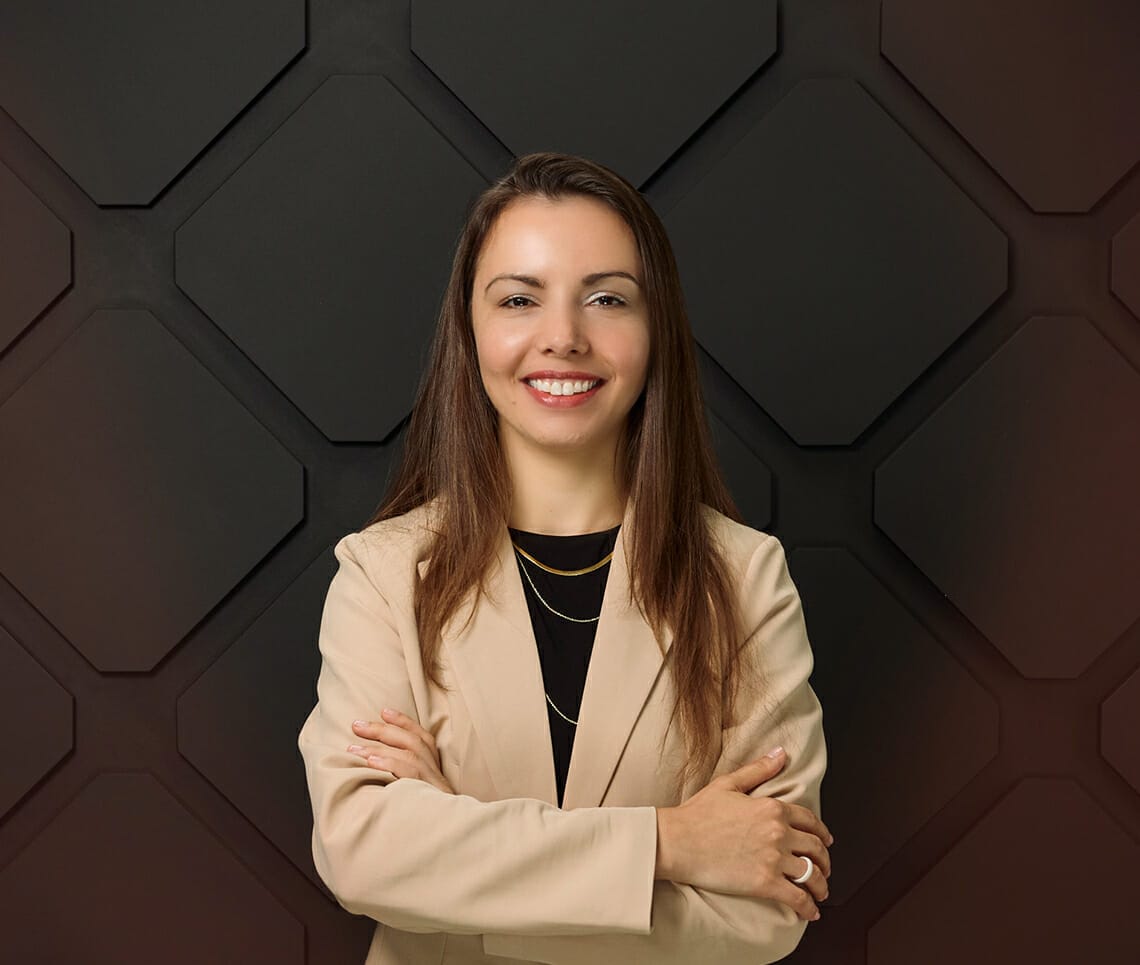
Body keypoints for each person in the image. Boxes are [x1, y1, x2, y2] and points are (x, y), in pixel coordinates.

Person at [298, 151, 831, 965]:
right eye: (519, 298)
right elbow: (363, 852)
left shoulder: (746, 577)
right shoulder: (383, 574)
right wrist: (673, 843)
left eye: (607, 298)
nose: (563, 338)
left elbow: (771, 901)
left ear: (657, 331)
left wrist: (457, 861)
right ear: (469, 330)